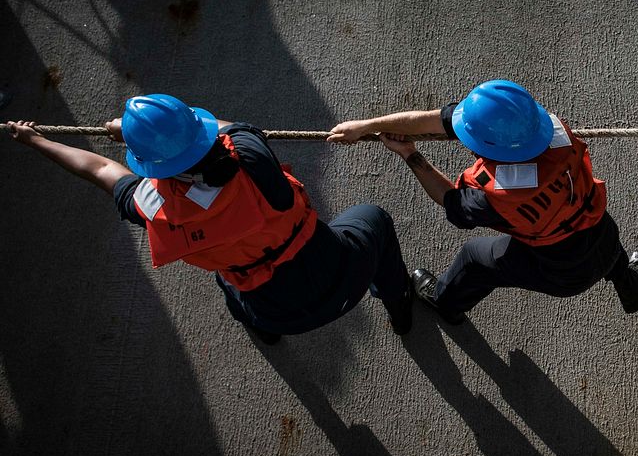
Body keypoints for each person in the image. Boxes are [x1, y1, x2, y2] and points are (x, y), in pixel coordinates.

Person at [5, 94, 412, 343]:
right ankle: (399, 306)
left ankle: (267, 334)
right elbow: (225, 128)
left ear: (149, 164)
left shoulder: (151, 203)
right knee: (373, 217)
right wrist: (149, 130)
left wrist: (38, 140)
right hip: (342, 271)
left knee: (228, 281)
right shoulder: (251, 157)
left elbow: (97, 169)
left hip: (275, 310)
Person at [328, 79, 638, 324]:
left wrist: (409, 154)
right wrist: (368, 126)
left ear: (490, 147)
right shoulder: (549, 128)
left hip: (558, 270)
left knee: (474, 259)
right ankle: (631, 289)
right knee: (612, 256)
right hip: (600, 230)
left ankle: (446, 302)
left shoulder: (493, 194)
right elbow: (435, 121)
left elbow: (450, 201)